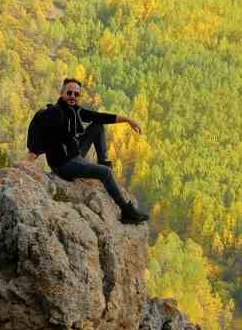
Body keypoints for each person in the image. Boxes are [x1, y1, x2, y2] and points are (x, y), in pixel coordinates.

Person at [25, 77, 150, 224]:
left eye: (76, 94)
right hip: (64, 165)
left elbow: (98, 117)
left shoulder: (74, 111)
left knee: (97, 125)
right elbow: (44, 137)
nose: (73, 96)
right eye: (69, 93)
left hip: (74, 153)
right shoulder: (56, 113)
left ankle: (103, 162)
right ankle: (127, 211)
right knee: (105, 172)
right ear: (62, 93)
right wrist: (30, 157)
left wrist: (128, 120)